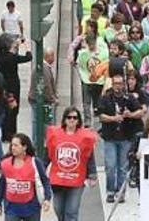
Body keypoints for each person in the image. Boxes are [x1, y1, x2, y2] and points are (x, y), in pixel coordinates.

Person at [46, 107, 99, 221]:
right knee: (58, 209)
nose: (72, 120)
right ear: (64, 119)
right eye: (69, 117)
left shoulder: (85, 137)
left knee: (71, 211)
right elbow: (48, 154)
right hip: (58, 180)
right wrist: (40, 171)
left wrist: (92, 175)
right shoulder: (55, 135)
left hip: (77, 179)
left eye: (75, 118)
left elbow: (89, 156)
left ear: (78, 120)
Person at [97, 74, 143, 203]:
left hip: (126, 136)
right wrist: (113, 118)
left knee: (123, 167)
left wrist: (130, 114)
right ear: (112, 85)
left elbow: (140, 112)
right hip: (110, 137)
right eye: (116, 83)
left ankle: (121, 192)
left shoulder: (129, 98)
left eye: (120, 83)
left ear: (124, 84)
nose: (118, 86)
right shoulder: (105, 98)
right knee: (110, 166)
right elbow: (100, 116)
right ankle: (111, 191)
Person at [0, 134, 52, 220]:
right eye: (12, 145)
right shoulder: (6, 163)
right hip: (11, 208)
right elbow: (2, 184)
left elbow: (45, 181)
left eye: (16, 145)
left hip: (32, 208)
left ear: (24, 147)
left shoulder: (35, 162)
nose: (13, 148)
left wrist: (47, 198)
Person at [0, 34, 33, 142]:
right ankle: (11, 133)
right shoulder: (11, 58)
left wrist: (16, 46)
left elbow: (13, 53)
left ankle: (5, 134)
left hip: (3, 85)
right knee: (13, 110)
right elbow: (28, 57)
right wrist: (25, 45)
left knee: (6, 109)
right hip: (13, 85)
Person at [77, 33, 108, 127]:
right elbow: (80, 65)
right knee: (86, 102)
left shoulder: (103, 53)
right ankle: (87, 121)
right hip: (86, 81)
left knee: (98, 101)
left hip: (99, 81)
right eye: (89, 44)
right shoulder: (83, 54)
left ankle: (98, 120)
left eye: (92, 44)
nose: (91, 46)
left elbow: (105, 65)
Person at [28, 48, 59, 139]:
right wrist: (53, 99)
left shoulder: (42, 67)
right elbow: (46, 86)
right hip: (41, 101)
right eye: (53, 56)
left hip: (38, 100)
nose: (54, 58)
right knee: (42, 123)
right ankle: (39, 143)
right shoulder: (44, 69)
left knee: (38, 122)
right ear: (48, 56)